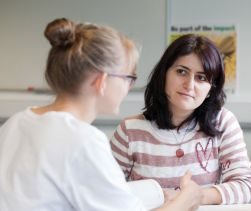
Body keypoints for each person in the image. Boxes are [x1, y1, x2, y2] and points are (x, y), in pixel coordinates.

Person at [0, 18, 203, 211]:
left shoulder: (17, 122)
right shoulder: (83, 141)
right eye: (127, 78)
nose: (128, 87)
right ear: (102, 81)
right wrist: (187, 198)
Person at [110, 34, 251, 205]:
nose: (189, 85)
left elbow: (244, 185)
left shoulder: (223, 122)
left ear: (210, 89)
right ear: (164, 74)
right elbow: (108, 193)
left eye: (201, 77)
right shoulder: (130, 131)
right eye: (181, 72)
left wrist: (194, 197)